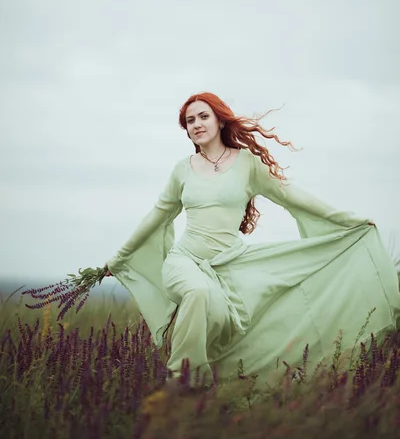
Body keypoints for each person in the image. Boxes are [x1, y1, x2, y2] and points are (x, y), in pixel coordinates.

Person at [105, 92, 400, 390]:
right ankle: (182, 383)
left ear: (220, 120)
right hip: (185, 261)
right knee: (198, 294)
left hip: (230, 266)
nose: (196, 124)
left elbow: (293, 197)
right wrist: (119, 258)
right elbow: (156, 217)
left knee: (222, 322)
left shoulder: (247, 164)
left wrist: (348, 220)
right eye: (190, 120)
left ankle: (222, 391)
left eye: (203, 116)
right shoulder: (183, 170)